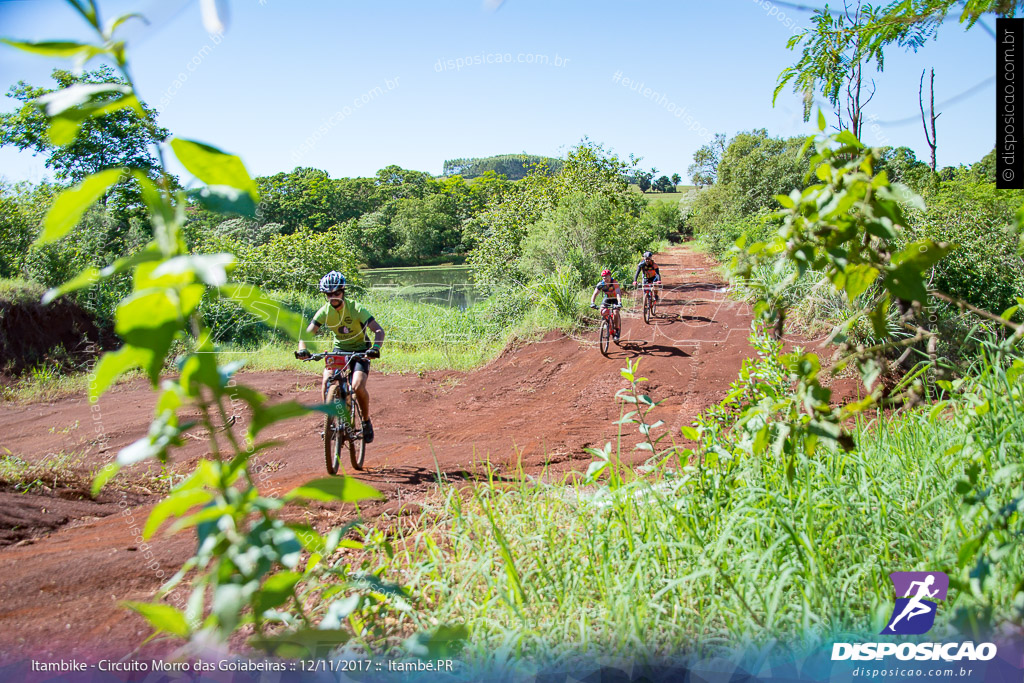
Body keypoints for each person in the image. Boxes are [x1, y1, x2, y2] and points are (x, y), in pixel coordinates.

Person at [295, 271, 385, 443]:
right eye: (329, 294)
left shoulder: (356, 308)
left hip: (361, 351)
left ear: (343, 292)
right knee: (326, 380)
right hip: (339, 350)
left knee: (358, 386)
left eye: (337, 293)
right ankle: (329, 422)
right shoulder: (324, 312)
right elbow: (306, 334)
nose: (333, 297)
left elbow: (379, 330)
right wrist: (302, 349)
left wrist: (375, 348)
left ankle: (366, 421)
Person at [590, 268, 622, 342]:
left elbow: (618, 293)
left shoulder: (614, 283)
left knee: (615, 312)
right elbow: (595, 294)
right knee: (602, 310)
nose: (605, 279)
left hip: (615, 299)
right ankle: (606, 322)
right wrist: (592, 303)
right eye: (604, 278)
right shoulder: (601, 284)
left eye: (607, 277)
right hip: (607, 298)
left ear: (610, 276)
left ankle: (617, 331)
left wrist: (619, 302)